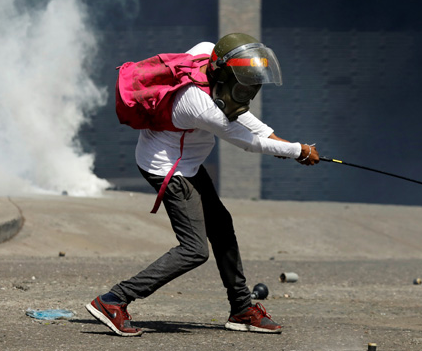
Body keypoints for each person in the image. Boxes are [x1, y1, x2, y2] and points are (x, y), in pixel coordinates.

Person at [86, 33, 319, 336]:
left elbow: (245, 117)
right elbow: (248, 141)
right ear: (223, 76)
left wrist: (289, 145)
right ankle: (113, 300)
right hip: (167, 168)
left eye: (252, 86)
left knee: (221, 225)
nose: (247, 93)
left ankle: (242, 309)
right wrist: (298, 150)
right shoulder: (199, 105)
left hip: (187, 163)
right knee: (194, 249)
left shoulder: (209, 55)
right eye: (243, 85)